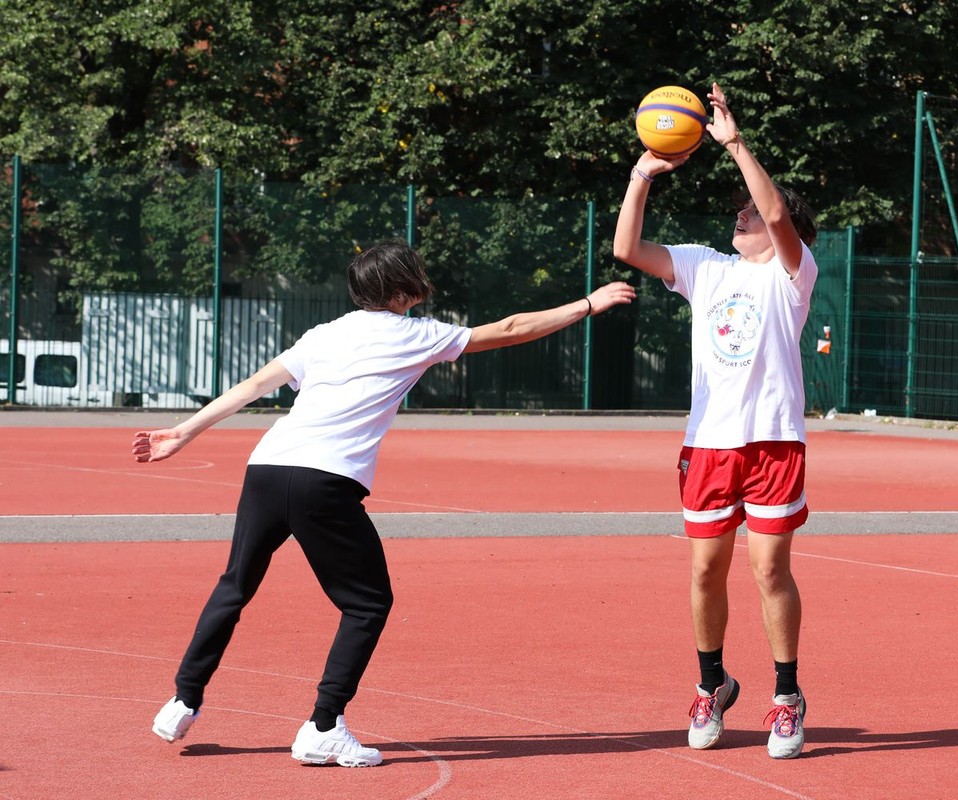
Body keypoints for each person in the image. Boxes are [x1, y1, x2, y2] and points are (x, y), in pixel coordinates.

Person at [134, 239, 636, 767]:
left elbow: (257, 384)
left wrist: (184, 431)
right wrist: (586, 304)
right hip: (323, 481)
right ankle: (323, 725)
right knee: (368, 603)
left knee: (235, 585)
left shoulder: (325, 333)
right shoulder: (416, 334)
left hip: (266, 467)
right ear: (402, 289)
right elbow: (510, 330)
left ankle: (182, 700)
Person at [612, 83, 818, 759]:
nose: (743, 217)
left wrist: (733, 142)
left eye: (749, 214)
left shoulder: (793, 274)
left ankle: (786, 698)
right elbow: (628, 247)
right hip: (709, 444)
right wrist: (643, 173)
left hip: (772, 440)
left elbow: (777, 209)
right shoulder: (705, 267)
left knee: (767, 569)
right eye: (739, 213)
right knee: (705, 571)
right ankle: (713, 685)